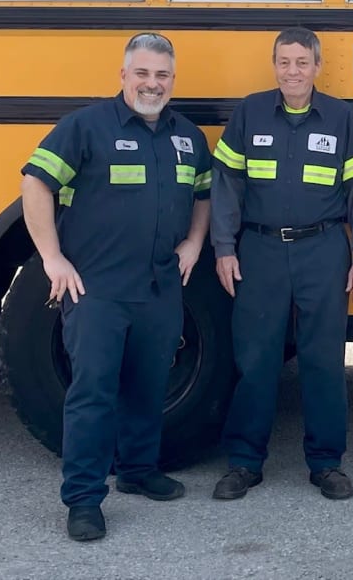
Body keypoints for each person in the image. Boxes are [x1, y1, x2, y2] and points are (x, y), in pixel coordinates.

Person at [20, 33, 212, 541]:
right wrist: (52, 257)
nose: (153, 84)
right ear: (123, 76)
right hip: (97, 290)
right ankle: (83, 499)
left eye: (162, 75)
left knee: (148, 386)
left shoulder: (188, 137)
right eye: (143, 73)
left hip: (159, 287)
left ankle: (137, 469)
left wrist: (194, 241)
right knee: (93, 394)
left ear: (173, 79)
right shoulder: (85, 127)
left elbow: (203, 191)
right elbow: (34, 182)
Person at [210, 27, 353, 502]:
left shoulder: (341, 118)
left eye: (302, 62)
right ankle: (244, 463)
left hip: (323, 250)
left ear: (318, 67)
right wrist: (224, 247)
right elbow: (226, 184)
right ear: (274, 65)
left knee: (323, 360)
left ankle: (326, 464)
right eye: (284, 62)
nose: (293, 71)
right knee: (256, 358)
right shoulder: (250, 112)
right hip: (258, 251)